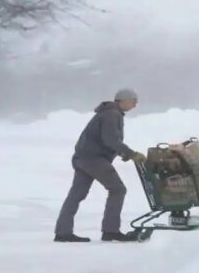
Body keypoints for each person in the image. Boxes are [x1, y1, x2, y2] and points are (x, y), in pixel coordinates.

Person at [54, 88, 147, 243]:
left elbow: (105, 140)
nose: (135, 105)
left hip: (82, 157)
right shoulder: (112, 114)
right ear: (123, 100)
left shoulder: (107, 113)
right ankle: (110, 230)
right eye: (133, 101)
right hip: (93, 159)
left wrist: (122, 154)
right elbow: (110, 140)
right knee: (117, 189)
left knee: (76, 195)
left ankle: (63, 232)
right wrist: (131, 154)